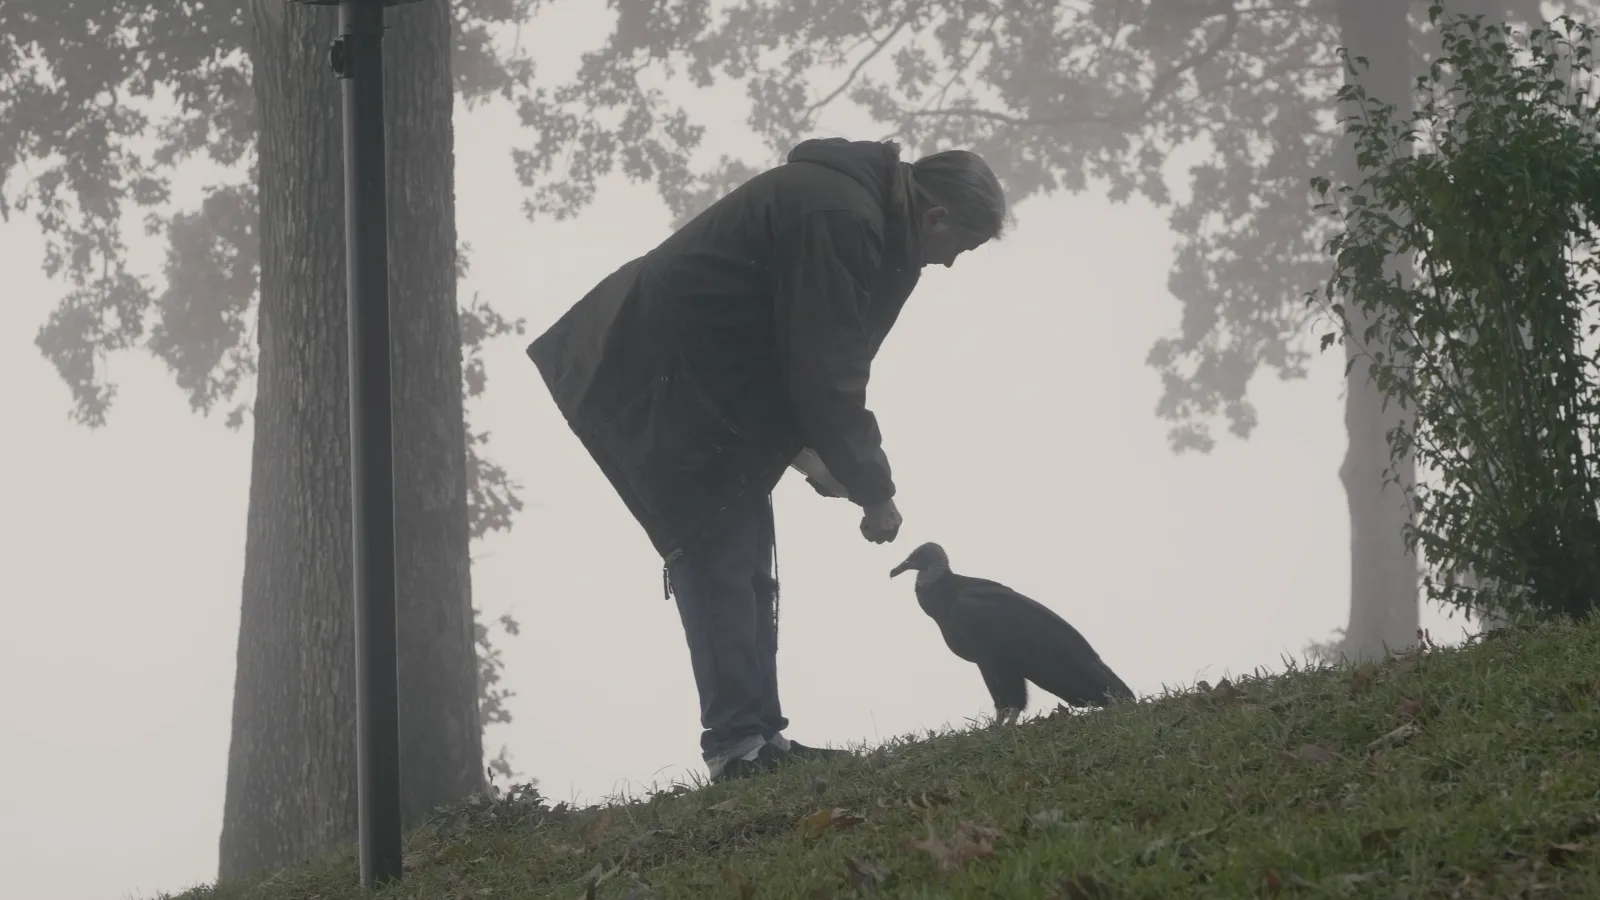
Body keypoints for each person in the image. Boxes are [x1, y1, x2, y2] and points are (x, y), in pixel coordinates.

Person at [527, 137, 1006, 781]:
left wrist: (813, 453)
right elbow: (826, 368)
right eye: (963, 250)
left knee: (750, 563)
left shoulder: (857, 214)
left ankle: (760, 738)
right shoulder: (842, 218)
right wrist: (874, 489)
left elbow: (803, 347)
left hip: (708, 386)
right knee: (718, 554)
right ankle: (735, 747)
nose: (951, 265)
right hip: (660, 376)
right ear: (938, 217)